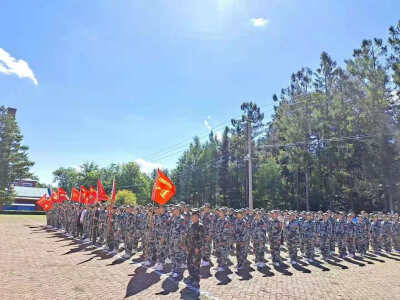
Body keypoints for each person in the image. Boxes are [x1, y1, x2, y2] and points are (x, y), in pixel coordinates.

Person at [185, 209, 205, 288]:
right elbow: (187, 236)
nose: (194, 218)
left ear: (198, 217)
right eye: (193, 216)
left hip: (196, 249)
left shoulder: (200, 226)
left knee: (196, 265)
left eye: (196, 216)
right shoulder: (191, 225)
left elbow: (201, 239)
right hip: (190, 248)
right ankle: (191, 277)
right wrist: (186, 246)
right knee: (189, 263)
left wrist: (198, 248)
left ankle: (196, 280)